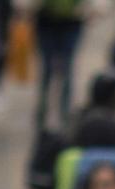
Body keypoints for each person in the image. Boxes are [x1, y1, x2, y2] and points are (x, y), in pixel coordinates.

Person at [31, 0, 89, 135]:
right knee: (47, 70)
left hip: (72, 21)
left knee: (67, 69)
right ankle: (43, 109)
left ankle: (65, 113)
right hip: (46, 19)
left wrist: (90, 8)